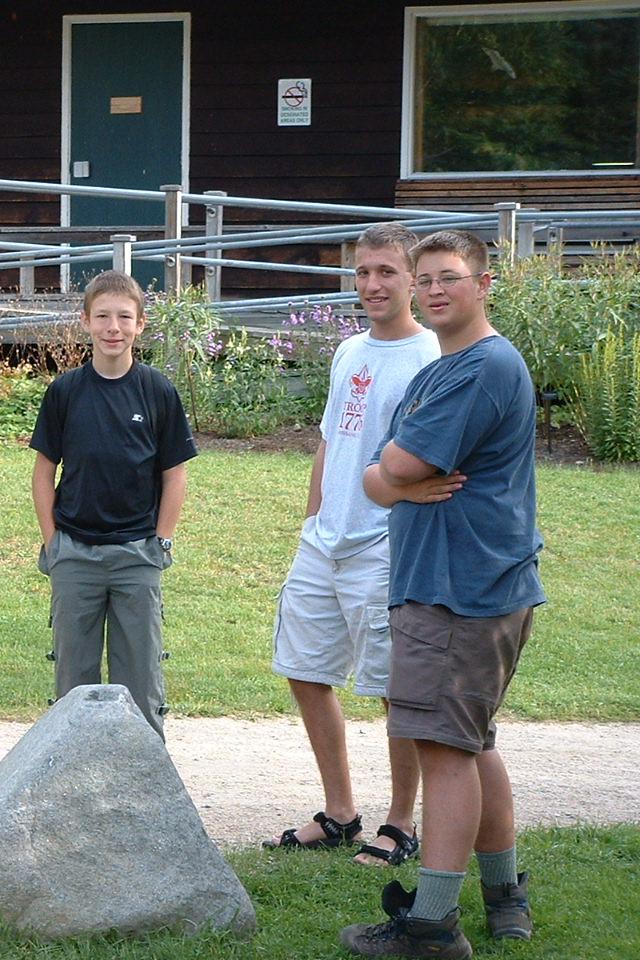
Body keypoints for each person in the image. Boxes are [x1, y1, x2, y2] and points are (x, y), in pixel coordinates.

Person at [341, 229, 544, 959]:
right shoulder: (442, 369)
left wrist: (396, 478)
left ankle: (431, 926)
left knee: (444, 750)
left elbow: (396, 464)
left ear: (483, 284)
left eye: (449, 277)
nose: (433, 290)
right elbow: (376, 477)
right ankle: (504, 897)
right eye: (424, 278)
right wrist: (395, 480)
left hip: (459, 589)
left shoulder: (479, 368)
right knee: (472, 742)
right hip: (469, 583)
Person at [263, 224, 442, 865]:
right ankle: (340, 814)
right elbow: (330, 440)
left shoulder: (430, 357)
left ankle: (400, 822)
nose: (372, 284)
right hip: (324, 541)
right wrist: (313, 518)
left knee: (397, 688)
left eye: (386, 271)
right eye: (363, 272)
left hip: (385, 545)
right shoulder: (348, 351)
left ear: (413, 279)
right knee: (304, 670)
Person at [29, 269, 196, 738]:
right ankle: (70, 770)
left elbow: (175, 473)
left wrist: (161, 542)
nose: (113, 328)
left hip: (137, 555)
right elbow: (43, 472)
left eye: (124, 317)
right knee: (73, 682)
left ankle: (145, 774)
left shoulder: (157, 391)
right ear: (85, 321)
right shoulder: (65, 392)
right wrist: (53, 543)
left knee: (141, 680)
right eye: (102, 316)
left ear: (140, 324)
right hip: (75, 554)